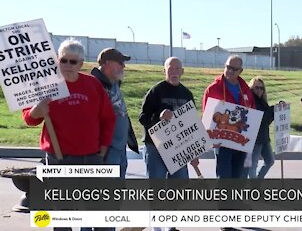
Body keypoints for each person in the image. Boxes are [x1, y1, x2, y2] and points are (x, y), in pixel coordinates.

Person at [22, 39, 116, 231]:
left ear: (81, 64)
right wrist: (35, 112)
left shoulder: (92, 85)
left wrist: (104, 146)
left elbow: (108, 118)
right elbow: (29, 118)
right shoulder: (47, 85)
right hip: (59, 158)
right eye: (64, 60)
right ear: (57, 60)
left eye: (73, 62)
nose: (68, 65)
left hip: (91, 159)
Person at [139, 57, 198, 180]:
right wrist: (158, 118)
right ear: (164, 71)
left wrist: (194, 152)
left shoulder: (187, 94)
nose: (174, 72)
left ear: (182, 71)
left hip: (178, 147)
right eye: (170, 69)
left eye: (177, 69)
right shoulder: (155, 91)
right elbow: (143, 118)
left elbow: (192, 124)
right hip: (156, 146)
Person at [202, 55, 255, 179]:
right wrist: (211, 137)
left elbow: (252, 111)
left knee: (238, 178)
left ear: (240, 71)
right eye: (227, 67)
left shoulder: (245, 89)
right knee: (224, 178)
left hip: (241, 141)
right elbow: (207, 114)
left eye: (234, 69)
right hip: (222, 141)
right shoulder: (213, 88)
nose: (229, 71)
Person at [91, 47, 139, 179]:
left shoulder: (114, 83)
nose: (123, 66)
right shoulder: (94, 85)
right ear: (106, 63)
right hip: (106, 150)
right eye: (120, 62)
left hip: (120, 147)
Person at [246, 76, 278, 179]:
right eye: (256, 88)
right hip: (254, 139)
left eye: (261, 88)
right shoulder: (251, 101)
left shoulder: (262, 101)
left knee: (269, 161)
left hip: (264, 138)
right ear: (251, 88)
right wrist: (274, 109)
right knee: (252, 166)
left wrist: (276, 110)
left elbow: (266, 120)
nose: (259, 90)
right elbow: (260, 117)